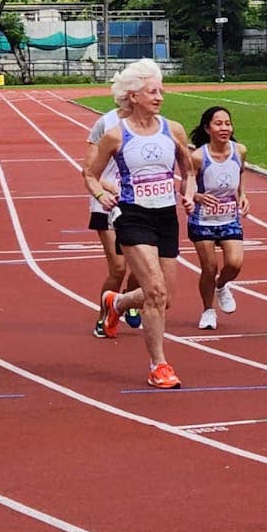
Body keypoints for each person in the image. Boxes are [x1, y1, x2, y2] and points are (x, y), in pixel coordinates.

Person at [84, 59, 193, 388]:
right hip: (133, 215)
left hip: (166, 216)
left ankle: (116, 302)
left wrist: (188, 193)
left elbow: (188, 170)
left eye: (161, 90)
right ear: (133, 96)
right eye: (152, 91)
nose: (160, 96)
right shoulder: (116, 136)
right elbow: (89, 173)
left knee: (164, 297)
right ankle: (159, 365)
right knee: (155, 291)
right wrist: (102, 194)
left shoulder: (173, 129)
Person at [84, 84, 141, 338]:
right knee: (118, 267)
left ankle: (128, 302)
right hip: (107, 202)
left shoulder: (150, 124)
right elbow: (88, 169)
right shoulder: (105, 124)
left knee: (142, 267)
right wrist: (110, 187)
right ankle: (104, 316)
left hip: (140, 203)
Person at [187, 105, 249, 331]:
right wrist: (197, 196)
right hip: (202, 221)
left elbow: (241, 174)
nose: (225, 128)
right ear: (207, 128)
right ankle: (208, 310)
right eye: (218, 124)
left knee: (234, 263)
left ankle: (222, 286)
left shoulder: (239, 150)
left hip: (229, 217)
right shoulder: (198, 157)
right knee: (209, 268)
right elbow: (187, 185)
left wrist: (242, 195)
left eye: (228, 123)